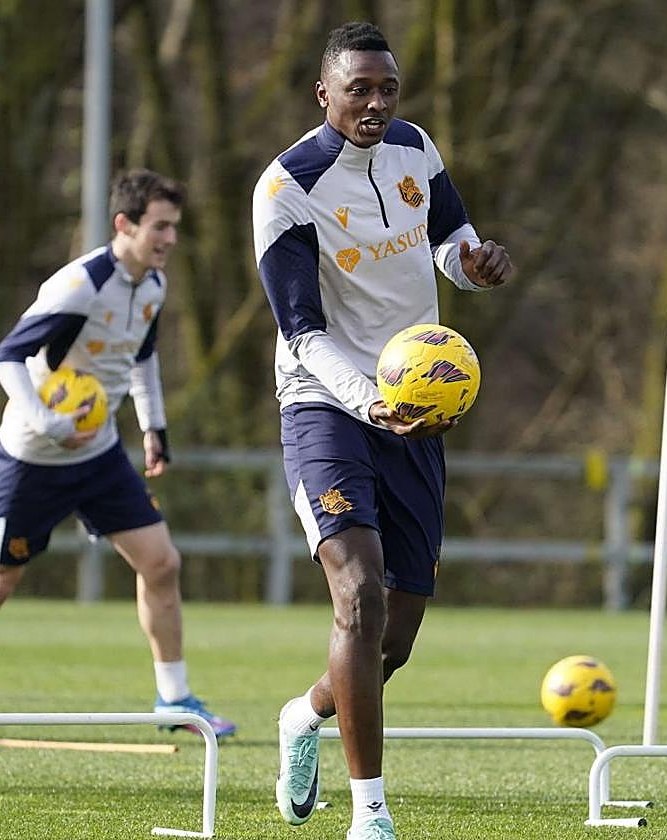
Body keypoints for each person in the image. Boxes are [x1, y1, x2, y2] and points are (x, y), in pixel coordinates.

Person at [251, 22, 512, 840]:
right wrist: (366, 402)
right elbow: (301, 331)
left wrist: (473, 262)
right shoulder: (285, 188)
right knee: (358, 593)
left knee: (393, 639)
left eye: (387, 88)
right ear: (323, 93)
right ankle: (371, 816)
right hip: (326, 404)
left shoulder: (415, 148)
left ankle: (304, 714)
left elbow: (450, 239)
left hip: (417, 408)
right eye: (358, 89)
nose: (375, 103)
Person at [0, 169, 236, 746]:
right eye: (159, 227)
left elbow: (142, 357)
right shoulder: (80, 285)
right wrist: (48, 422)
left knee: (161, 563)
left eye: (174, 227)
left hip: (99, 456)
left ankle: (174, 699)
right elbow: (6, 357)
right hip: (32, 459)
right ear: (125, 225)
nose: (170, 239)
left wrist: (153, 426)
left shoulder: (154, 286)